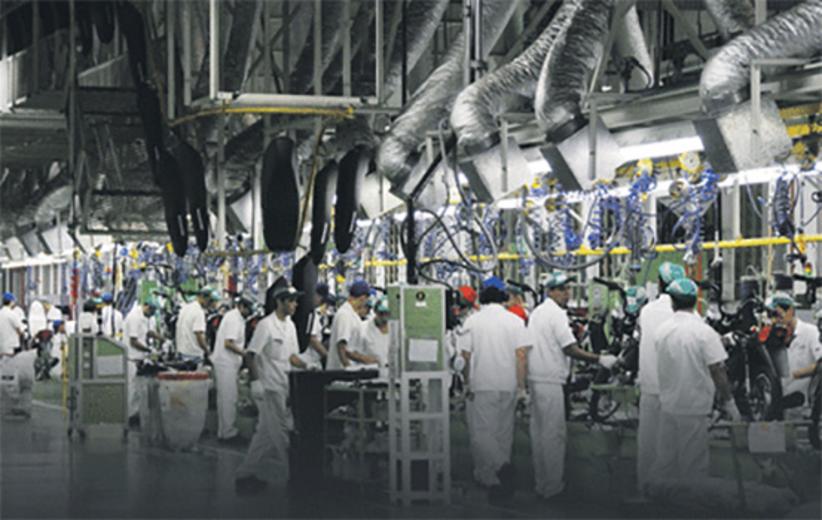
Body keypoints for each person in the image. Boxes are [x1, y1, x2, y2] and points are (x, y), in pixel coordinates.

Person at [525, 271, 618, 501]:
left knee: (539, 434)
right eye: (563, 289)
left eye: (568, 289)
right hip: (550, 380)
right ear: (551, 291)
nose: (567, 293)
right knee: (553, 435)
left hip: (536, 378)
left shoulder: (538, 312)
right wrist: (600, 359)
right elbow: (570, 348)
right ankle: (553, 488)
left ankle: (541, 484)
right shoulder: (556, 314)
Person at [651, 278, 740, 484]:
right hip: (693, 409)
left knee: (665, 461)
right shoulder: (704, 333)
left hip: (667, 405)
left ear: (672, 302)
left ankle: (656, 497)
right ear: (695, 301)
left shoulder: (661, 331)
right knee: (692, 467)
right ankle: (688, 502)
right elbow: (718, 370)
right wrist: (729, 402)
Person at [459, 276, 533, 500]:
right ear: (503, 297)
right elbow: (521, 356)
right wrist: (521, 388)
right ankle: (495, 480)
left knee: (482, 433)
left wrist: (466, 382)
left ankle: (501, 467)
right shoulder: (515, 321)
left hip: (482, 384)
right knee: (503, 434)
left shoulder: (472, 322)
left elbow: (465, 356)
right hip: (508, 384)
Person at [235, 280, 307, 494]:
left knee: (265, 434)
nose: (295, 305)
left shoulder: (290, 326)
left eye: (295, 301)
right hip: (268, 388)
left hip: (283, 385)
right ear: (280, 302)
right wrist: (256, 382)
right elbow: (251, 355)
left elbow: (292, 356)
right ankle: (294, 476)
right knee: (281, 433)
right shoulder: (266, 325)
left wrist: (307, 365)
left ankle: (244, 474)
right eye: (291, 301)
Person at [636, 261, 685, 493]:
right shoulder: (684, 314)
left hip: (649, 387)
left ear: (659, 283)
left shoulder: (646, 311)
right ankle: (666, 496)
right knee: (670, 450)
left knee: (647, 444)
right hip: (674, 391)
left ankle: (644, 490)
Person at [212, 293, 257, 443]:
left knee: (225, 398)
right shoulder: (233, 319)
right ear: (241, 306)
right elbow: (228, 343)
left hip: (228, 363)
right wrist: (245, 354)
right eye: (248, 308)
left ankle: (224, 432)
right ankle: (228, 433)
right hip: (226, 363)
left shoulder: (237, 318)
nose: (250, 312)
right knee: (228, 398)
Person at [765, 293, 822, 407]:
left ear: (790, 311)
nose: (774, 320)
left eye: (777, 315)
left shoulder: (810, 332)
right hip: (778, 404)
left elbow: (820, 364)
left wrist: (794, 375)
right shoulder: (773, 336)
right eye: (770, 316)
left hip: (803, 405)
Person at [123, 299, 162, 420]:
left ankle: (135, 415)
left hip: (139, 359)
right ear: (145, 306)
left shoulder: (143, 317)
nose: (152, 314)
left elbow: (147, 332)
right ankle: (129, 417)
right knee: (132, 390)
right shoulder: (134, 317)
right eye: (151, 311)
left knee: (137, 390)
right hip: (132, 359)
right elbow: (133, 341)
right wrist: (149, 350)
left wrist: (161, 338)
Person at [326, 280, 371, 370]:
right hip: (341, 372)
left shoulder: (353, 314)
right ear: (363, 298)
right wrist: (348, 368)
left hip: (352, 369)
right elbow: (341, 346)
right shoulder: (345, 315)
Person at [0, 292, 33, 417]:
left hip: (2, 348)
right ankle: (14, 405)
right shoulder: (11, 314)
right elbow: (20, 330)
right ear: (12, 302)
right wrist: (25, 336)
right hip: (11, 349)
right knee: (12, 377)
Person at [175, 288, 215, 360]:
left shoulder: (186, 308)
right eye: (209, 300)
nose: (209, 303)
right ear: (202, 298)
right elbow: (199, 335)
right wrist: (207, 351)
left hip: (181, 351)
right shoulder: (199, 312)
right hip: (193, 354)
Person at [301, 285, 331, 370]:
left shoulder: (316, 313)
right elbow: (312, 339)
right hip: (309, 360)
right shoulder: (312, 314)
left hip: (314, 359)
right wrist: (327, 355)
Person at [360, 297, 391, 368]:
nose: (384, 317)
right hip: (371, 370)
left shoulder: (395, 329)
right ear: (375, 311)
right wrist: (364, 359)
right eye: (381, 313)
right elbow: (353, 352)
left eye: (387, 314)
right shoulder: (363, 328)